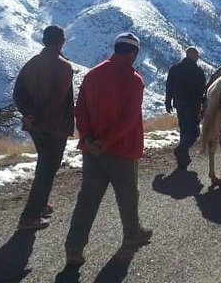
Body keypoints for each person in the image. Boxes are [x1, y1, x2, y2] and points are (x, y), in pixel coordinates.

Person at [64, 32, 152, 266]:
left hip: (92, 151)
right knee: (128, 196)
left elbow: (79, 109)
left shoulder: (92, 74)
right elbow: (129, 118)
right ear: (133, 53)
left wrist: (89, 138)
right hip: (120, 149)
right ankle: (132, 235)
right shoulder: (134, 79)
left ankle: (74, 248)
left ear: (116, 48)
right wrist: (106, 140)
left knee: (88, 199)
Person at [12, 25, 74, 231]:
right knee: (47, 170)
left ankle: (41, 205)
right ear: (61, 41)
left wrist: (29, 114)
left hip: (35, 126)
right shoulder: (64, 66)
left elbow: (18, 92)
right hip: (54, 127)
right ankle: (30, 216)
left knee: (45, 165)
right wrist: (38, 116)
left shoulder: (32, 62)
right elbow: (57, 100)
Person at [165, 47, 206, 171]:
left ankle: (182, 161)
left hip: (179, 104)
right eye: (196, 54)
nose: (198, 57)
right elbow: (202, 90)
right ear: (191, 55)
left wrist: (168, 101)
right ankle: (181, 150)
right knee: (194, 132)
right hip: (192, 105)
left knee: (184, 130)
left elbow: (169, 86)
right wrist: (204, 103)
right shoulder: (198, 71)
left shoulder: (175, 68)